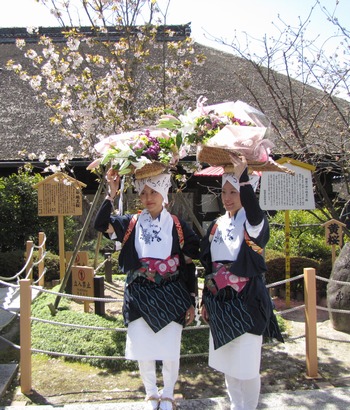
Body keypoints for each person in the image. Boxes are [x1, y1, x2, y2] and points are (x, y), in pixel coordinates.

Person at [94, 168, 200, 410]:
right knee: (144, 348)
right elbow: (101, 224)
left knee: (171, 349)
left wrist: (192, 299)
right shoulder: (130, 223)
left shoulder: (178, 225)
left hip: (172, 293)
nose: (148, 197)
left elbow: (190, 262)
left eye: (154, 192)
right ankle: (151, 393)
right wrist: (112, 193)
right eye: (143, 193)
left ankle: (169, 393)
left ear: (165, 194)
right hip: (139, 294)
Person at [200, 155, 284, 410]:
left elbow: (256, 216)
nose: (227, 197)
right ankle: (236, 406)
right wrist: (205, 300)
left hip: (247, 301)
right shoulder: (216, 224)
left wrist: (243, 176)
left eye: (234, 191)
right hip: (220, 302)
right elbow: (209, 267)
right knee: (228, 363)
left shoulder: (253, 223)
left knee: (247, 365)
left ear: (246, 190)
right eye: (224, 191)